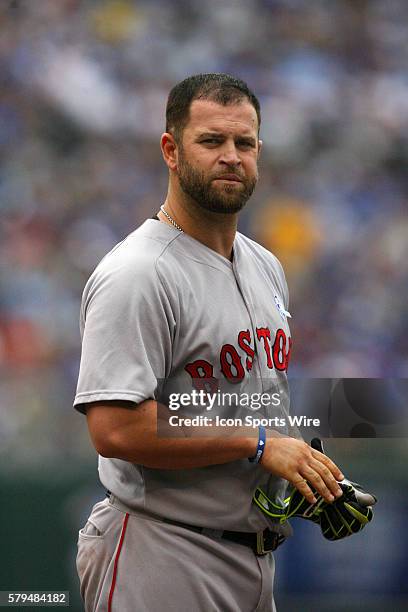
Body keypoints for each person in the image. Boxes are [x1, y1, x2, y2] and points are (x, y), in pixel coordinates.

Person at [74, 73, 344, 612]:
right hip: (163, 548)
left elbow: (244, 404)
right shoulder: (138, 272)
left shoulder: (265, 265)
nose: (231, 156)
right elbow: (114, 427)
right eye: (212, 140)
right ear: (171, 150)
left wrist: (302, 474)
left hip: (253, 558)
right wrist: (259, 443)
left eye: (244, 143)